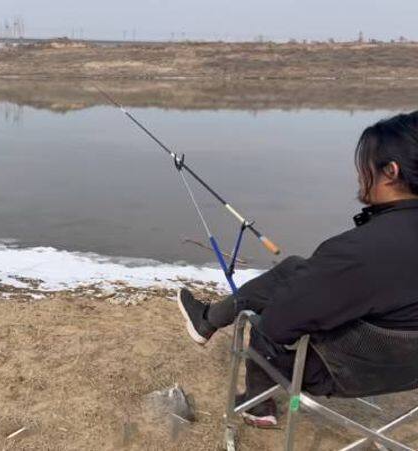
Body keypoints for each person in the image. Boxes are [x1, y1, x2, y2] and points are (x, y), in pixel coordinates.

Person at [176, 111, 418, 428]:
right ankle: (208, 319)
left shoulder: (356, 252)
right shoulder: (367, 251)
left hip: (349, 373)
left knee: (264, 320)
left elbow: (277, 326)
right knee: (295, 270)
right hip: (408, 369)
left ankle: (256, 402)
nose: (360, 176)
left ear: (391, 171)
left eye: (365, 165)